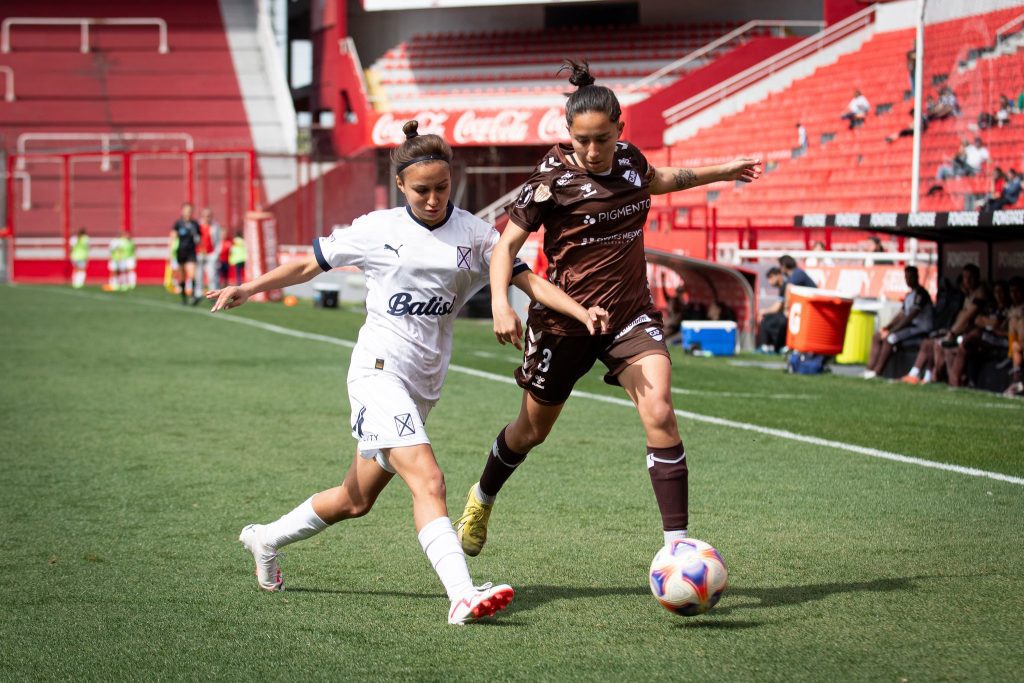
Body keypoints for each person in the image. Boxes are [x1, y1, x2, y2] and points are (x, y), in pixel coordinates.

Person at [212, 120, 608, 625]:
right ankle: (461, 594)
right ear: (401, 185)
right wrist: (250, 286)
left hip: (422, 386)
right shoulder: (376, 229)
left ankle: (264, 537)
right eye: (421, 190)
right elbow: (310, 264)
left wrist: (581, 312)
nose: (433, 198)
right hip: (377, 373)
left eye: (442, 187)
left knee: (355, 500)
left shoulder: (474, 233)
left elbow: (529, 281)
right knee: (430, 480)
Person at [454, 59, 761, 559]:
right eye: (582, 140)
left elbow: (658, 179)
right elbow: (505, 249)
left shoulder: (630, 160)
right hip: (563, 325)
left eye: (603, 138)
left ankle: (676, 549)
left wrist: (722, 171)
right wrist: (499, 305)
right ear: (568, 134)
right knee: (531, 431)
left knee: (659, 410)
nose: (593, 150)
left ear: (620, 129)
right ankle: (482, 496)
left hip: (629, 315)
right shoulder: (548, 182)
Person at [902, 264, 985, 385]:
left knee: (949, 346)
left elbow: (969, 315)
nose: (967, 281)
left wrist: (952, 333)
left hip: (979, 333)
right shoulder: (967, 295)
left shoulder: (980, 293)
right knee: (936, 344)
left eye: (970, 277)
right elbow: (963, 316)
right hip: (961, 331)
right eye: (965, 277)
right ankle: (930, 376)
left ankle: (948, 380)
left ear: (977, 278)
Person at [862, 266, 933, 379]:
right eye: (906, 277)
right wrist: (887, 327)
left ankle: (877, 372)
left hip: (920, 329)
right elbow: (901, 314)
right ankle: (869, 368)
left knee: (890, 338)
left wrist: (892, 330)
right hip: (909, 327)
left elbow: (910, 316)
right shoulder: (909, 295)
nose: (908, 280)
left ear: (917, 277)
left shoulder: (921, 294)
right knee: (877, 336)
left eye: (910, 277)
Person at [169, 202, 201, 304]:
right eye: (186, 211)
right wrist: (170, 252)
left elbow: (199, 238)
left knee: (192, 274)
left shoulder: (195, 224)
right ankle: (184, 297)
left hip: (191, 252)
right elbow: (172, 237)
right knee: (182, 276)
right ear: (182, 212)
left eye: (190, 211)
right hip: (180, 252)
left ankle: (193, 295)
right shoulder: (178, 223)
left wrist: (201, 246)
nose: (188, 213)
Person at [757, 267, 788, 353]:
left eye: (770, 278)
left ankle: (767, 346)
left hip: (788, 316)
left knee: (766, 319)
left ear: (778, 275)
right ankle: (769, 345)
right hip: (784, 315)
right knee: (767, 318)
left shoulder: (786, 286)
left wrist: (763, 311)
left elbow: (778, 308)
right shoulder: (782, 287)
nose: (769, 281)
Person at [1004, 277, 1024, 397]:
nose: (1014, 295)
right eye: (1011, 291)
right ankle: (1017, 382)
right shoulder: (1011, 310)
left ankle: (1018, 383)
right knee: (1016, 346)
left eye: (1017, 291)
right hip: (1017, 344)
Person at [195, 208, 220, 297]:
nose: (207, 218)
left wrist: (215, 254)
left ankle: (213, 293)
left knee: (212, 275)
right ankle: (198, 293)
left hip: (210, 254)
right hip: (199, 254)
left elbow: (218, 241)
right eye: (205, 216)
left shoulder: (215, 226)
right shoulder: (198, 226)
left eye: (209, 216)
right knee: (199, 275)